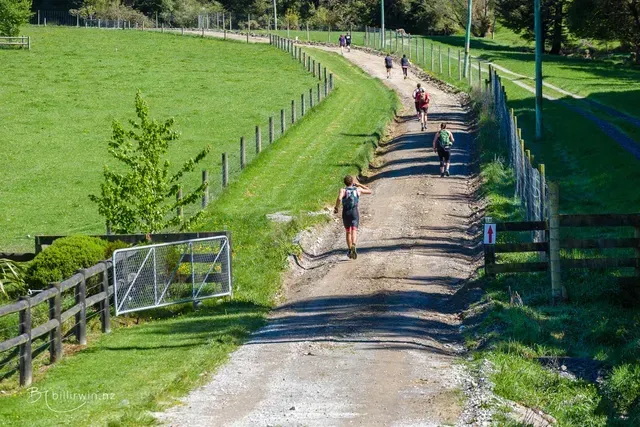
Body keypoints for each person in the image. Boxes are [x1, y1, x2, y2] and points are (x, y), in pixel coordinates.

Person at [333, 175, 372, 259]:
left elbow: (339, 199)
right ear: (352, 182)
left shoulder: (343, 190)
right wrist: (359, 184)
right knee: (354, 229)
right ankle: (354, 245)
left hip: (346, 212)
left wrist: (336, 208)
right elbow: (370, 191)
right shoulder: (358, 190)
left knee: (348, 231)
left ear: (345, 182)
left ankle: (350, 249)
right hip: (354, 212)